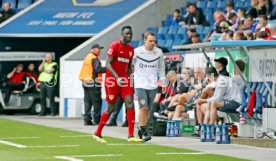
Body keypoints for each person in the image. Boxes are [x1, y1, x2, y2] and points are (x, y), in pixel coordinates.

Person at [92, 26, 143, 143]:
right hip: (112, 79)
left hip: (124, 79)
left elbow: (129, 67)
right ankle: (97, 133)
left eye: (130, 34)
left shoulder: (131, 49)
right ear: (122, 34)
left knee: (130, 104)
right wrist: (117, 78)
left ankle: (131, 135)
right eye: (127, 34)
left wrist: (131, 82)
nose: (129, 35)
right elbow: (108, 64)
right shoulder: (114, 46)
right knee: (110, 108)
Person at [133, 31, 166, 142]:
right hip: (140, 84)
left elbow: (161, 68)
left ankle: (141, 129)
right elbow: (130, 65)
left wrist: (163, 81)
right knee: (143, 107)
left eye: (154, 41)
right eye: (150, 41)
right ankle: (144, 131)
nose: (152, 43)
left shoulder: (159, 52)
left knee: (148, 110)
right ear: (145, 41)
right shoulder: (137, 52)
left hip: (153, 85)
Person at [79, 44, 106, 125]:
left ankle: (87, 120)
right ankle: (97, 120)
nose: (100, 51)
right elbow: (98, 69)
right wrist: (108, 68)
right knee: (97, 102)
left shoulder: (88, 57)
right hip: (93, 82)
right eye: (98, 49)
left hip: (85, 81)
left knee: (87, 102)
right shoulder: (94, 58)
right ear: (94, 50)